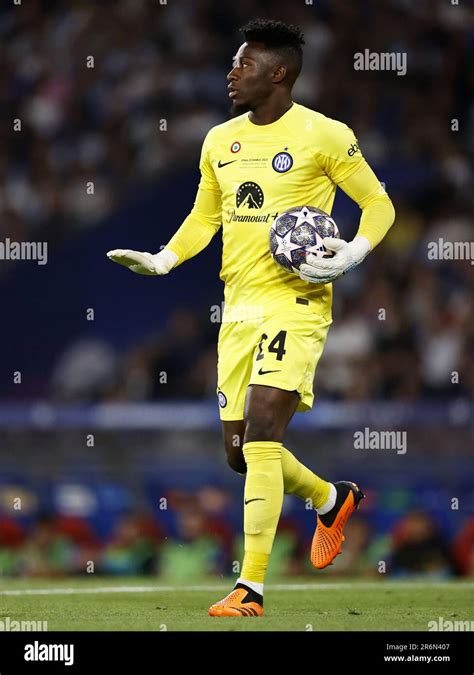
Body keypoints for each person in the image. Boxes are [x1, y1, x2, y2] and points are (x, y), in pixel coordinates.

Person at [107, 19, 395, 617]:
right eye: (234, 63)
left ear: (279, 73)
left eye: (245, 64)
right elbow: (204, 217)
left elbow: (378, 203)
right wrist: (164, 259)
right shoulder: (219, 140)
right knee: (240, 453)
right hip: (237, 307)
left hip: (297, 302)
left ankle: (252, 585)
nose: (232, 72)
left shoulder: (324, 135)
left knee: (265, 431)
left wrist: (353, 252)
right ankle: (329, 498)